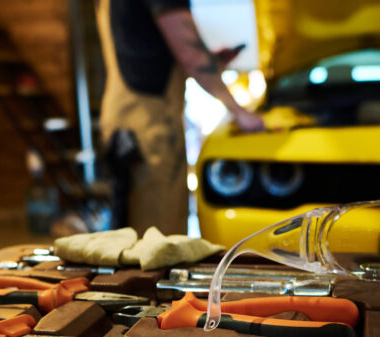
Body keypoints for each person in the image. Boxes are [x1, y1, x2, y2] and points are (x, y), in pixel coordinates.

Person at [96, 0, 265, 235]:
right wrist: (240, 112)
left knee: (135, 235)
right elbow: (191, 54)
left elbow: (145, 49)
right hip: (149, 125)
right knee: (158, 241)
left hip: (125, 116)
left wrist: (211, 62)